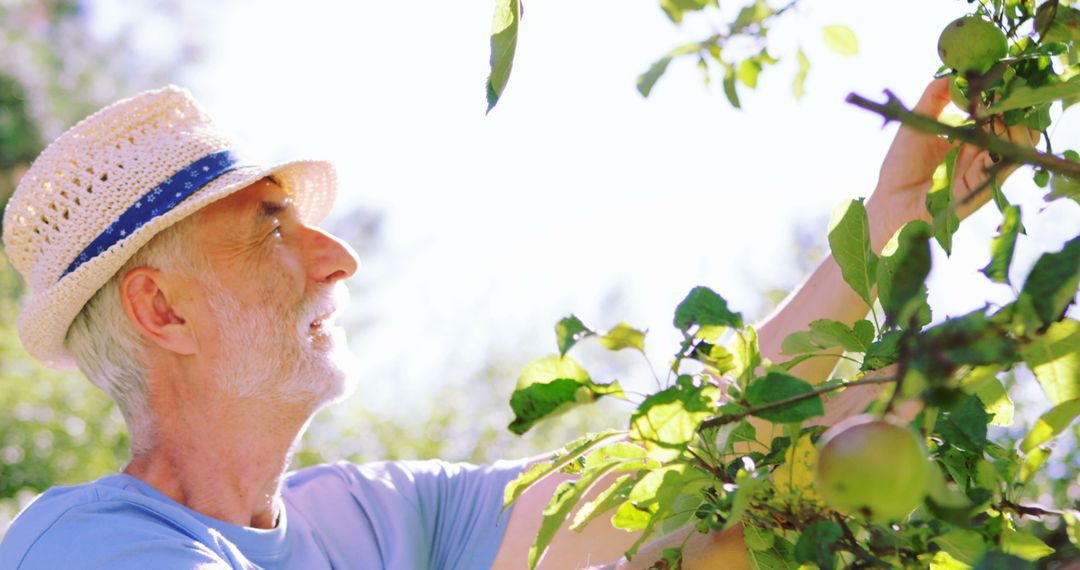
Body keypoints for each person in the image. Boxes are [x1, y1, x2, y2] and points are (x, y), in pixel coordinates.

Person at [0, 79, 1033, 569]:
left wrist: (894, 220)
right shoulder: (88, 552)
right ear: (161, 307)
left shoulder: (375, 520)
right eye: (272, 230)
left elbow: (680, 474)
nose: (336, 257)